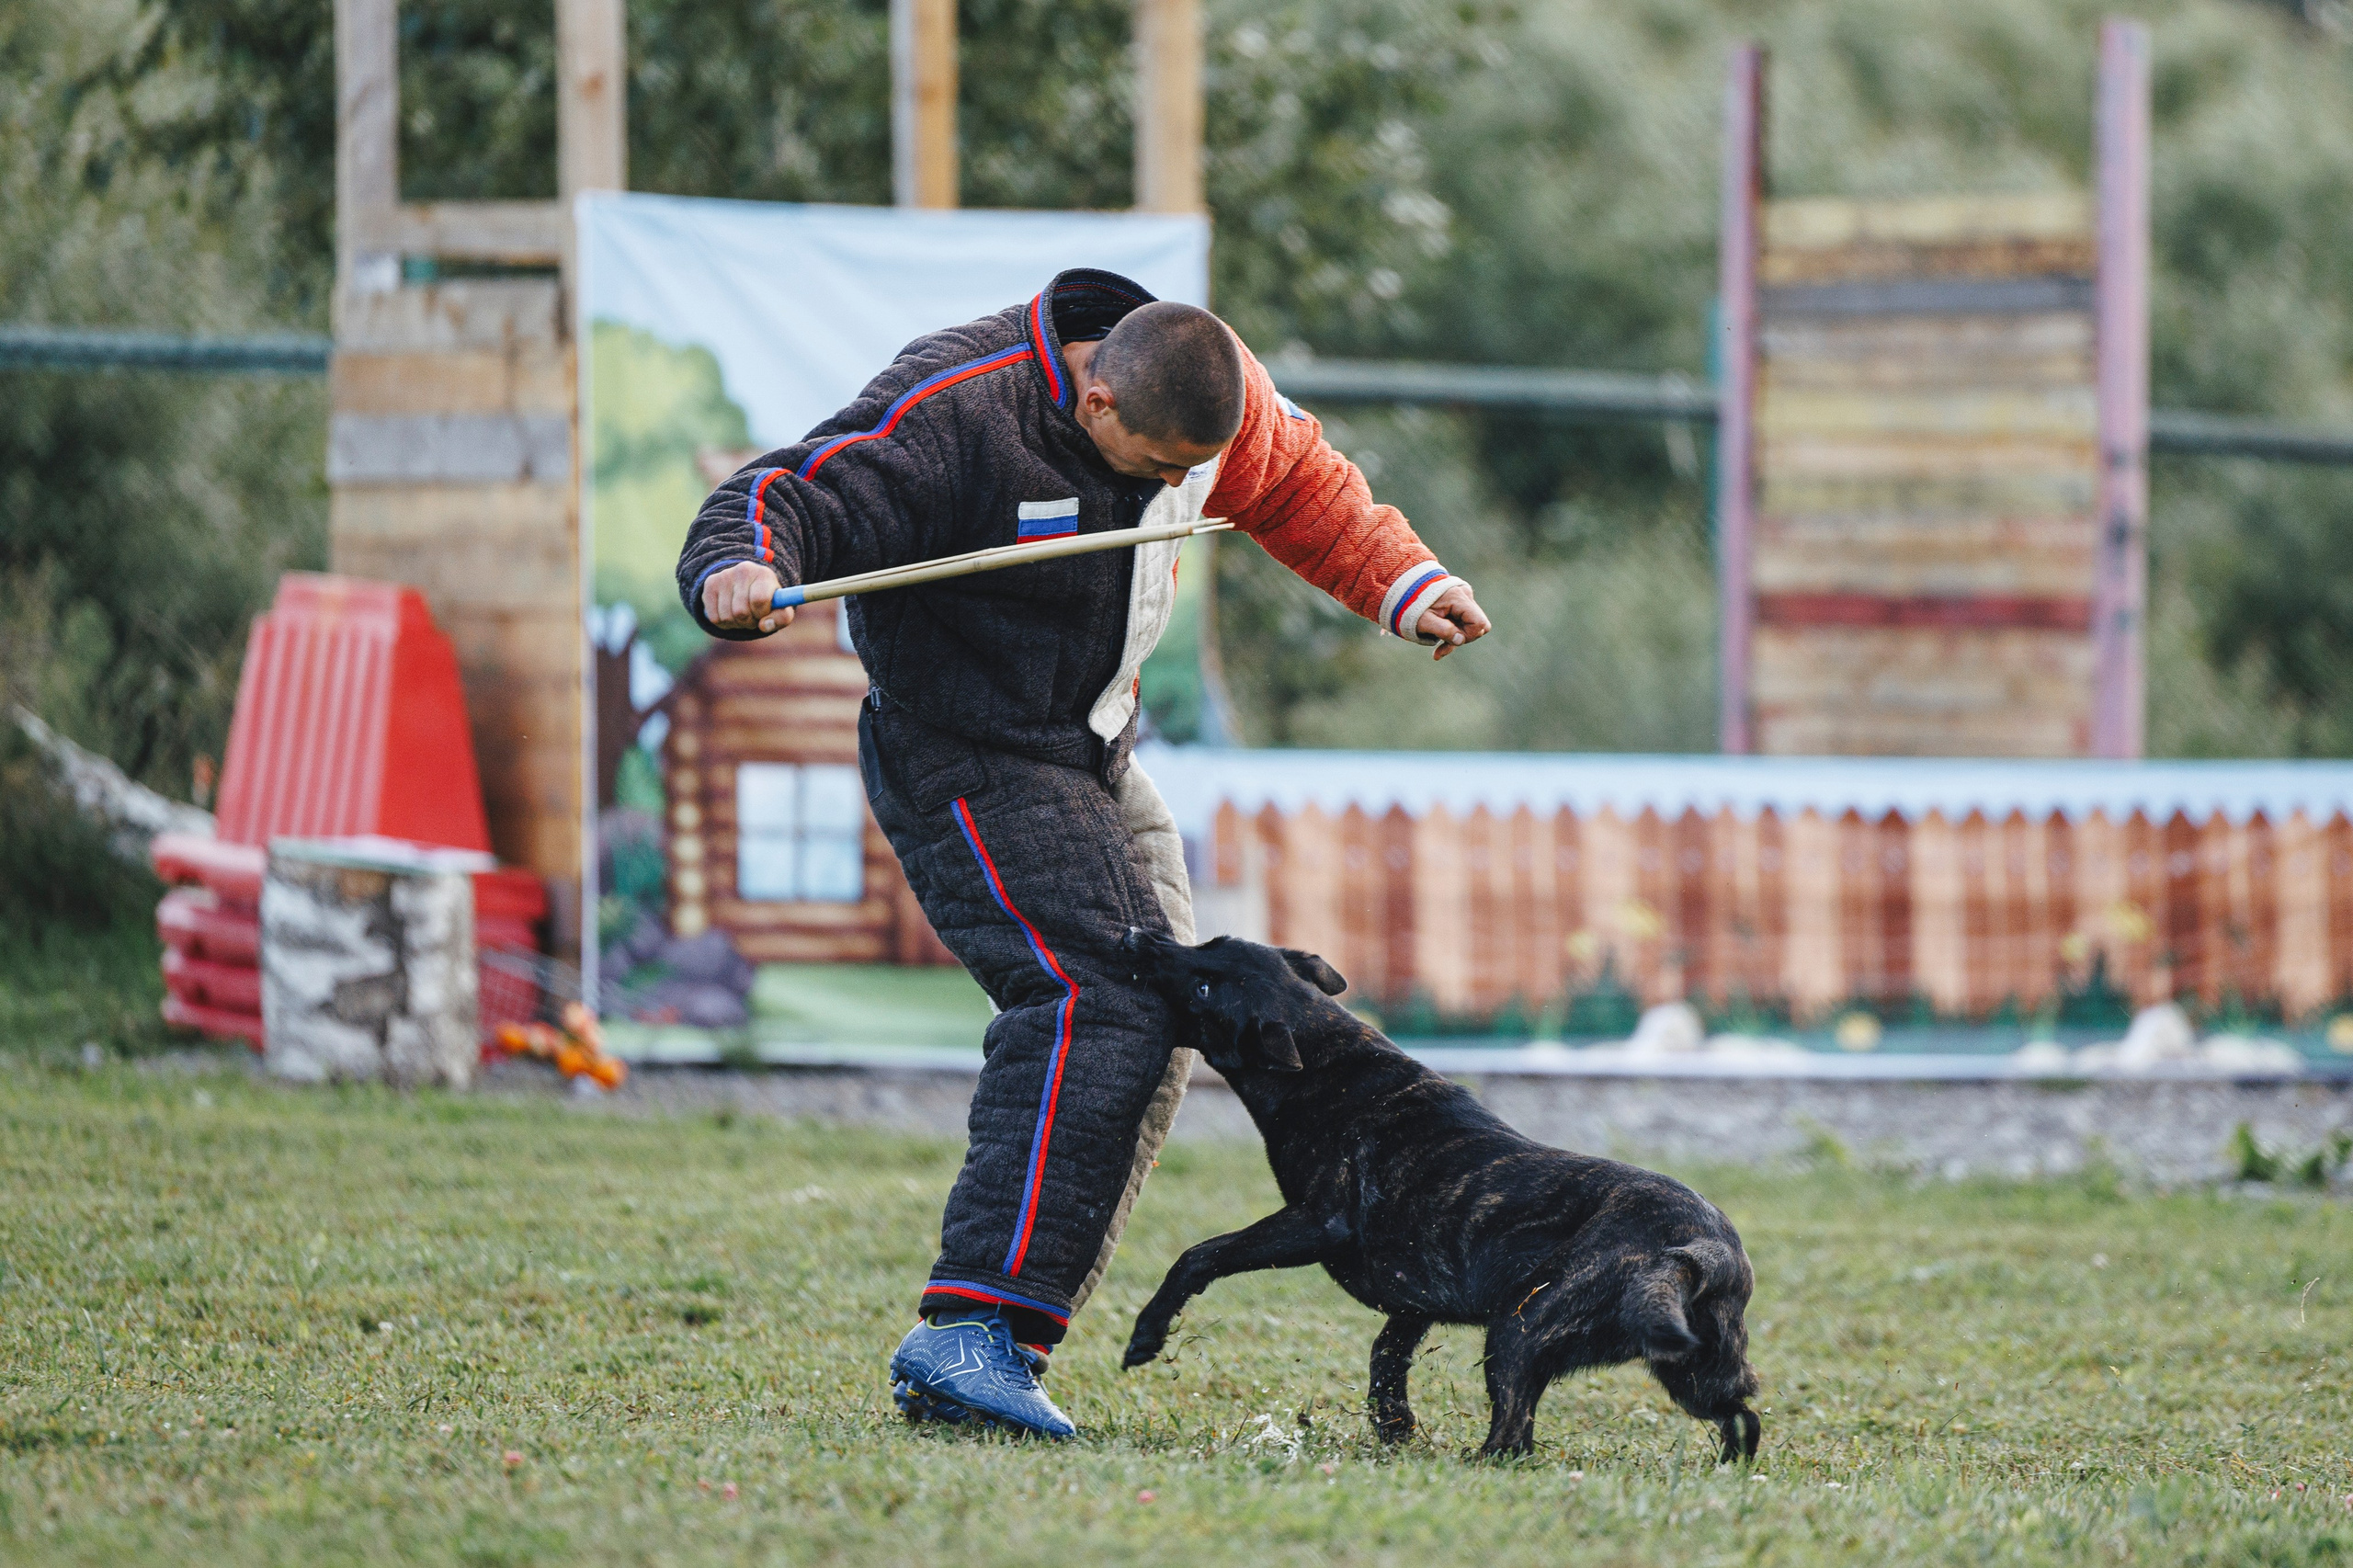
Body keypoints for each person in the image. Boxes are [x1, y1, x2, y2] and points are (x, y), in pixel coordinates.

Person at [678, 267, 1492, 1437]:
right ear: (1095, 399)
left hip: (1096, 747)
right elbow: (789, 491)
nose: (1179, 488)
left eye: (1192, 471)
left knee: (1172, 1007)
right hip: (964, 746)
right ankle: (972, 1333)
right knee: (1098, 995)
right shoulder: (960, 406)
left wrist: (1408, 588)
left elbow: (1308, 492)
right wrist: (737, 568)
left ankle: (1013, 1331)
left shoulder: (1216, 404)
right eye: (1160, 467)